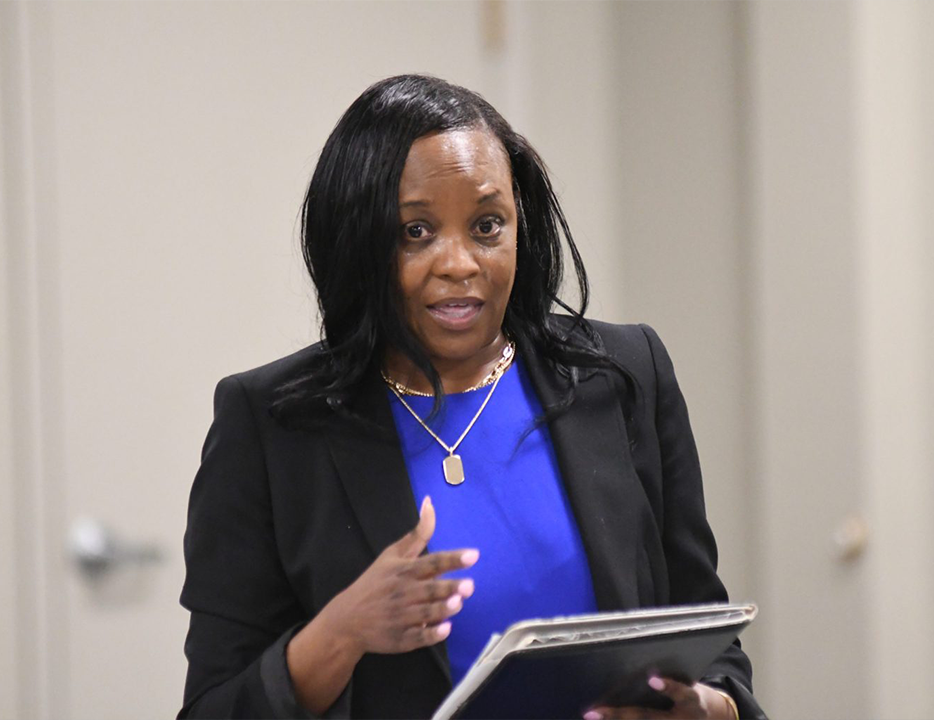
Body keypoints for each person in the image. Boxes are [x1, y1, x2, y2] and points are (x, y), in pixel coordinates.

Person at [178, 74, 765, 720]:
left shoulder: (624, 375)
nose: (459, 262)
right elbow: (214, 708)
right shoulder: (270, 426)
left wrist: (706, 708)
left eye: (487, 225)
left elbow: (712, 647)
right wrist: (339, 634)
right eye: (416, 232)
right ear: (357, 239)